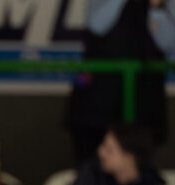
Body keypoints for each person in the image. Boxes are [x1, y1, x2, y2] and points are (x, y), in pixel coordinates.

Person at [67, 0, 171, 163]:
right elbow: (96, 26)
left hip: (143, 104)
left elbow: (168, 44)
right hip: (95, 105)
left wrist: (157, 9)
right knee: (91, 167)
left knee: (138, 170)